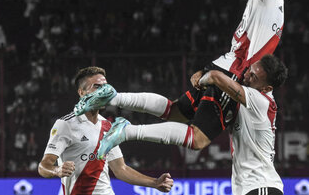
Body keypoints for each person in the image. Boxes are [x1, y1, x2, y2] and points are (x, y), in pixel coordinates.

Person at [74, 0, 296, 151]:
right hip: (233, 74)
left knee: (175, 112)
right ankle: (126, 130)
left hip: (225, 64)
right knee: (198, 138)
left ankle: (112, 97)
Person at [102, 54, 288, 195]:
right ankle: (115, 102)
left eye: (254, 77)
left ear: (267, 89)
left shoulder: (261, 101)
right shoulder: (250, 91)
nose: (246, 76)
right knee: (175, 112)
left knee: (194, 135)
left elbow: (215, 76)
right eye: (249, 70)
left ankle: (125, 126)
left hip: (262, 186)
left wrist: (202, 78)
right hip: (249, 187)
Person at [38, 66, 174, 195]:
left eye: (105, 86)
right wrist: (58, 170)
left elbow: (121, 169)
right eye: (97, 86)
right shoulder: (66, 124)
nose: (104, 92)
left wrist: (155, 183)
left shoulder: (108, 126)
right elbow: (43, 166)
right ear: (81, 92)